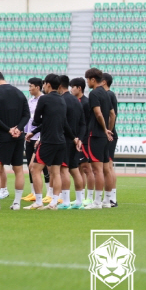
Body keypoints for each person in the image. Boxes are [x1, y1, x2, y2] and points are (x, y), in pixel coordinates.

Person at [25, 74, 81, 210]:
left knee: (35, 169)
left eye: (44, 84)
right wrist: (74, 137)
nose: (43, 86)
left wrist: (36, 126)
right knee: (56, 172)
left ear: (48, 85)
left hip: (48, 140)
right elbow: (64, 123)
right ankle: (54, 202)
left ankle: (38, 201)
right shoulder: (62, 100)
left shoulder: (44, 99)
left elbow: (37, 119)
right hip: (61, 141)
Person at [0, 71, 30, 211]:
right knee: (19, 170)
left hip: (3, 136)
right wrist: (18, 128)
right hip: (19, 136)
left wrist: (8, 129)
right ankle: (16, 203)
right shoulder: (19, 93)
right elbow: (26, 115)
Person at [84, 68, 115, 209]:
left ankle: (97, 202)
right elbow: (112, 114)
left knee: (97, 170)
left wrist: (104, 129)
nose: (87, 82)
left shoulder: (94, 93)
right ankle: (107, 201)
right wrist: (109, 130)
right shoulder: (106, 93)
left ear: (92, 79)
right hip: (104, 136)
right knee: (106, 169)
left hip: (96, 134)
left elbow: (98, 114)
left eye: (87, 80)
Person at [57, 75, 86, 210]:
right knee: (75, 170)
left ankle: (66, 201)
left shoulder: (61, 100)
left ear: (59, 86)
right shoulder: (76, 101)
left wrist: (72, 137)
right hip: (75, 141)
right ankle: (79, 201)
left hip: (65, 140)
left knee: (64, 170)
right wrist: (79, 138)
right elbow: (83, 123)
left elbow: (63, 123)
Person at [21, 77, 50, 202]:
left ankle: (49, 192)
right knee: (30, 165)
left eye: (31, 86)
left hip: (39, 136)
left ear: (38, 87)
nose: (29, 89)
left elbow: (45, 120)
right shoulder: (30, 101)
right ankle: (33, 192)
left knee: (44, 166)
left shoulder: (44, 100)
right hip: (29, 135)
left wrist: (40, 135)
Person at [70, 77, 95, 206]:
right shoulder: (75, 101)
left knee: (87, 168)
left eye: (72, 87)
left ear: (79, 88)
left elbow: (86, 123)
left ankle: (89, 197)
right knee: (79, 167)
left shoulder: (85, 102)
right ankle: (81, 196)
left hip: (84, 139)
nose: (70, 89)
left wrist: (82, 138)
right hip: (76, 139)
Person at [101, 73, 119, 207]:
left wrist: (109, 131)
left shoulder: (108, 95)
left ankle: (112, 197)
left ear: (104, 82)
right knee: (106, 167)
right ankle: (110, 197)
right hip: (109, 132)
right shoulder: (109, 95)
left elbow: (111, 115)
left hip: (109, 133)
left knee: (109, 166)